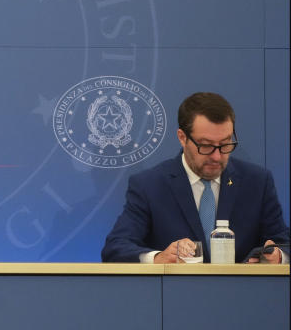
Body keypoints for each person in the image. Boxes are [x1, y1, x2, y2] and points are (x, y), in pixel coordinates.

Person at [102, 92, 289, 263]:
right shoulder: (149, 185)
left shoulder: (256, 182)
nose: (217, 156)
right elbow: (116, 248)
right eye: (206, 146)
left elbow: (283, 243)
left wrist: (278, 256)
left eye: (225, 144)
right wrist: (158, 258)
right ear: (182, 138)